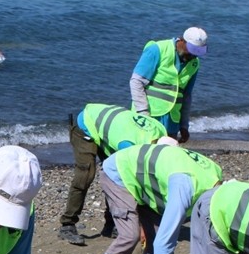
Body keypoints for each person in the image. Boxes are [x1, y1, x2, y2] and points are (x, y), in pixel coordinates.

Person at [76, 138, 222, 254]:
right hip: (119, 173)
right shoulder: (185, 186)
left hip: (149, 183)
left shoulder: (215, 176)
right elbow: (165, 241)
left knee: (154, 238)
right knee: (130, 235)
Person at [59, 103, 168, 245]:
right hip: (86, 123)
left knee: (114, 176)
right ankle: (67, 224)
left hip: (112, 128)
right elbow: (134, 180)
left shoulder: (161, 131)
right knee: (86, 174)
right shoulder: (128, 145)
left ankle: (111, 225)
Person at [129, 26, 207, 143]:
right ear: (182, 41)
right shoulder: (158, 50)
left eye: (197, 52)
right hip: (149, 116)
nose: (192, 55)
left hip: (172, 121)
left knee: (166, 152)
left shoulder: (194, 63)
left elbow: (186, 96)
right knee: (143, 151)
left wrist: (184, 125)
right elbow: (136, 82)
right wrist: (143, 113)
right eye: (191, 50)